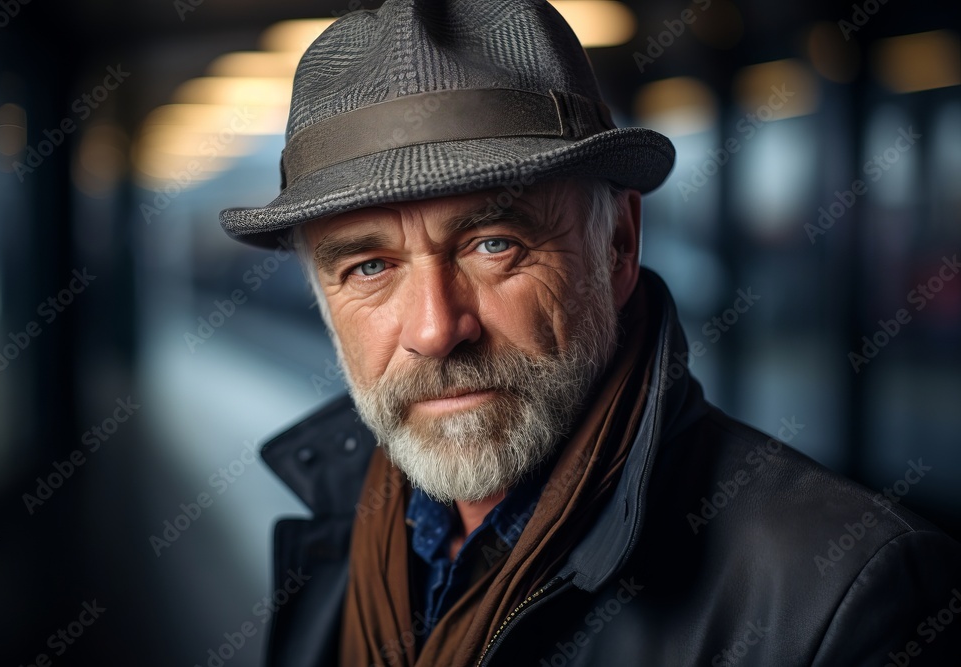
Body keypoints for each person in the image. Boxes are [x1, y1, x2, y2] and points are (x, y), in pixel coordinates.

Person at [220, 1, 961, 665]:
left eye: (494, 243)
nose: (436, 328)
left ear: (618, 247)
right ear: (323, 296)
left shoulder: (845, 597)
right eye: (370, 265)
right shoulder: (334, 540)